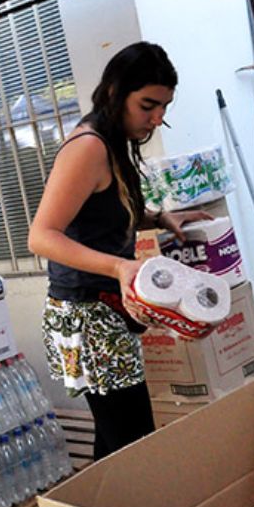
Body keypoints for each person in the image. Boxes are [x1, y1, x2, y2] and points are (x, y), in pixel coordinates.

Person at [28, 42, 211, 460]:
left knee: (116, 442)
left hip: (104, 311)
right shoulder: (88, 147)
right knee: (134, 446)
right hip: (86, 315)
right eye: (148, 105)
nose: (157, 118)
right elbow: (41, 236)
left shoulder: (111, 142)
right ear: (115, 92)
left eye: (164, 107)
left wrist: (161, 218)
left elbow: (104, 212)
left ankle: (108, 501)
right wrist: (119, 267)